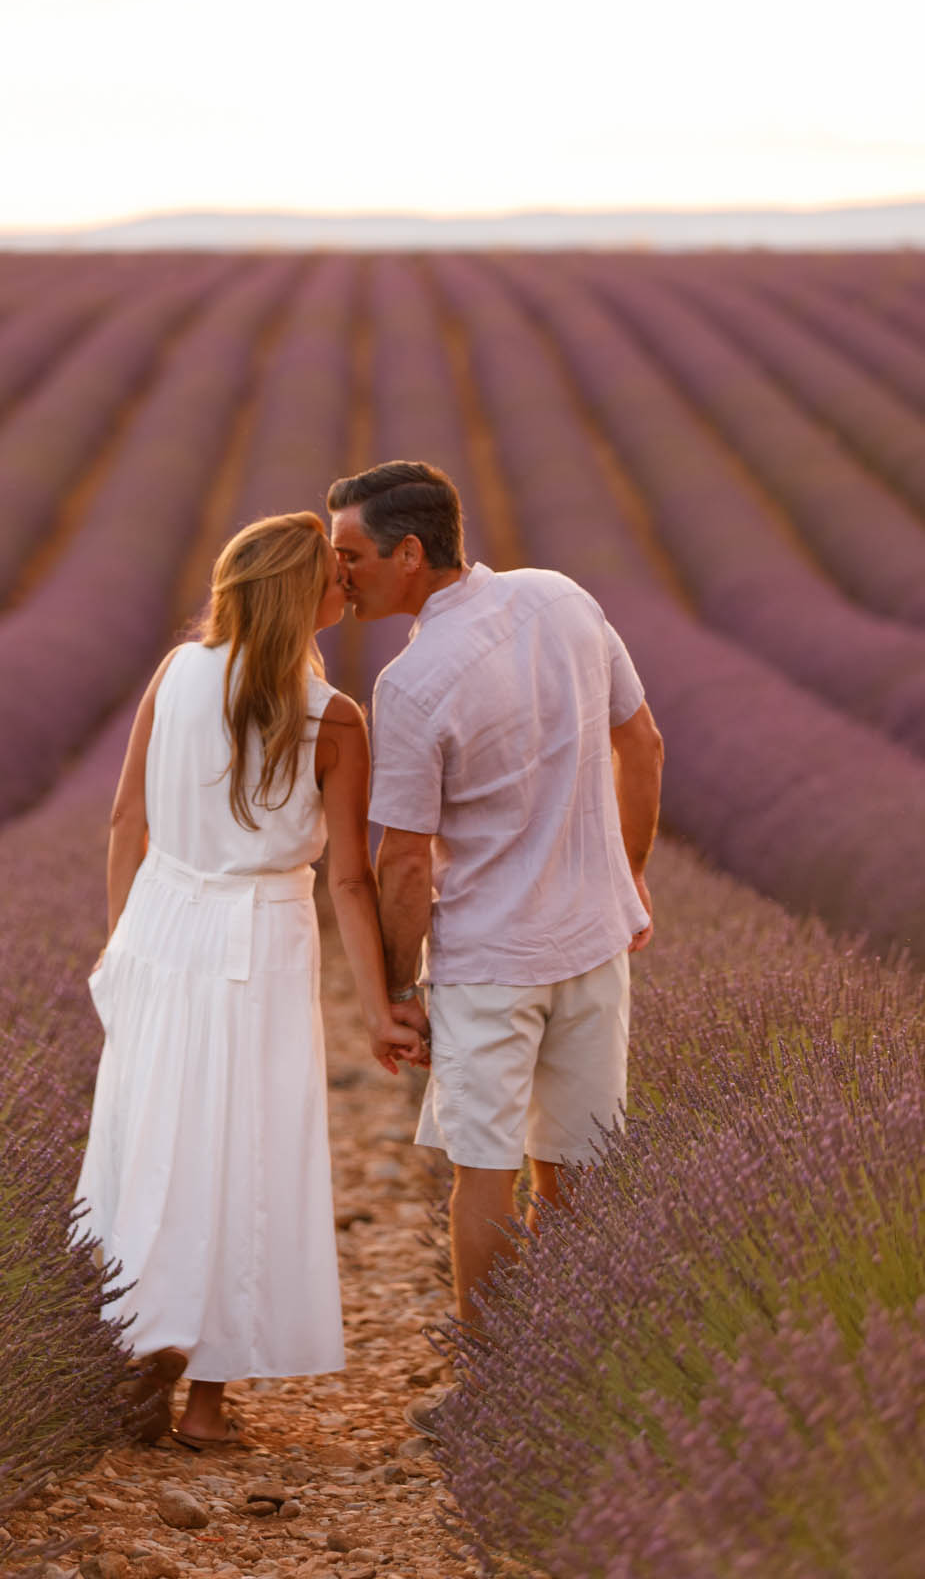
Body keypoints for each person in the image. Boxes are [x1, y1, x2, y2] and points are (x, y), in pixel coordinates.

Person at [327, 461, 664, 1434]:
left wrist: (398, 989)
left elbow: (403, 861)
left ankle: (492, 1391)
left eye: (351, 555)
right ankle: (575, 1372)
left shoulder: (411, 681)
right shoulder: (561, 597)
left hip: (488, 962)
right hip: (593, 941)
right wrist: (629, 874)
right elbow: (642, 743)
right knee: (576, 1168)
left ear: (409, 553)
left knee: (485, 1171)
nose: (339, 574)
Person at [75, 511, 423, 1450]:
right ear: (300, 595)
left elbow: (125, 821)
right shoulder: (331, 718)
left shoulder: (176, 673)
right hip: (261, 938)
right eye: (332, 574)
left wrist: (123, 945)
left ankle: (131, 1349)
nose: (345, 583)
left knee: (148, 1138)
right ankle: (203, 1403)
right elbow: (347, 880)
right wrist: (379, 1010)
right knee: (245, 1152)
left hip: (161, 924)